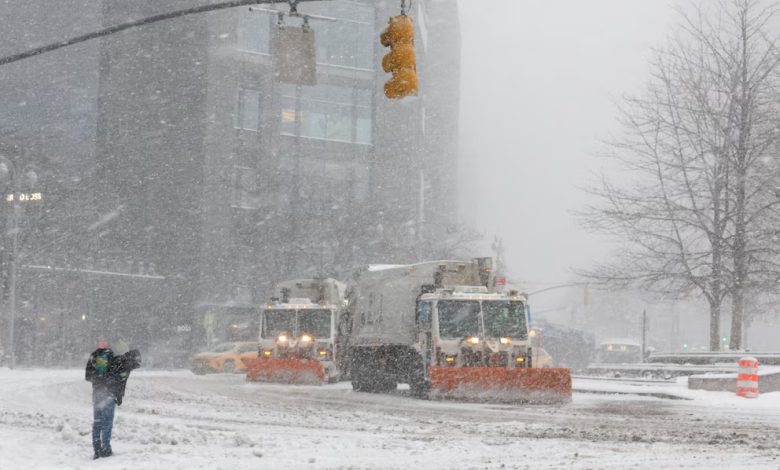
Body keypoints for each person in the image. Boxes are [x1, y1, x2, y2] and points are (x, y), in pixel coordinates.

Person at [85, 337, 116, 459]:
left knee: (98, 421)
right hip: (107, 393)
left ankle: (97, 449)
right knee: (107, 422)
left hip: (97, 392)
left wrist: (97, 380)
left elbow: (88, 375)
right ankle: (105, 449)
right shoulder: (109, 356)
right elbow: (115, 376)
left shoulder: (94, 356)